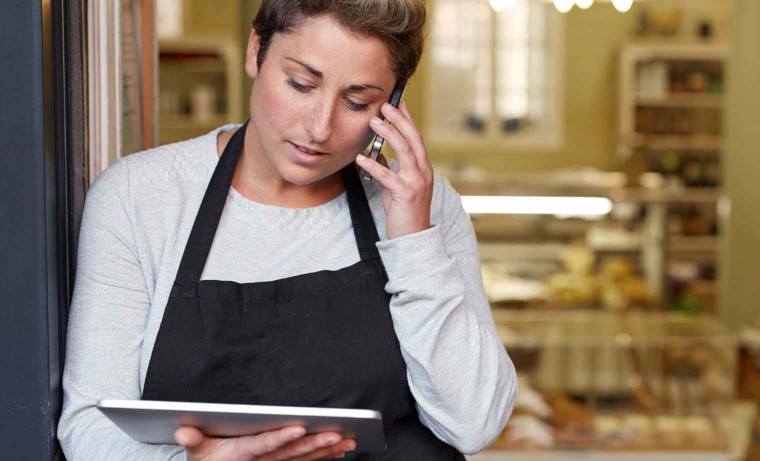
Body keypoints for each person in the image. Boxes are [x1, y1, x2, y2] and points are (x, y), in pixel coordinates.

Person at [57, 0, 517, 459]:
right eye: (300, 84)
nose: (319, 129)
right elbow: (90, 426)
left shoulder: (425, 205)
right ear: (256, 50)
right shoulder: (140, 197)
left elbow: (473, 425)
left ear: (393, 104)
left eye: (358, 102)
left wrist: (414, 240)